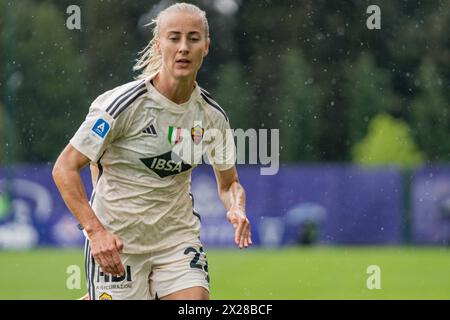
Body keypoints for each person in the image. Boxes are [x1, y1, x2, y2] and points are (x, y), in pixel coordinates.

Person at [52, 2, 252, 300]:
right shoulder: (122, 106)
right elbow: (64, 168)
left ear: (206, 47)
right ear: (159, 45)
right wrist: (96, 233)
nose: (183, 47)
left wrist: (236, 206)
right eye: (174, 38)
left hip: (176, 239)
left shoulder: (212, 117)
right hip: (118, 243)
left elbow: (229, 184)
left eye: (193, 38)